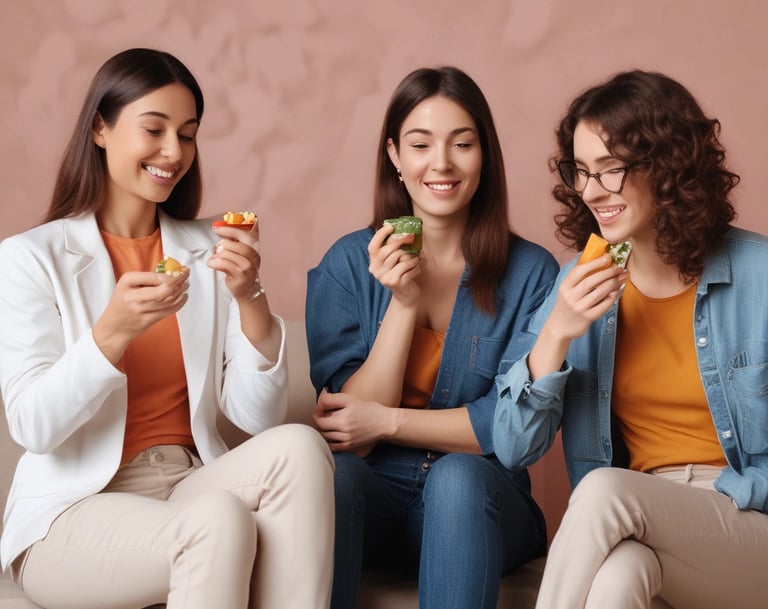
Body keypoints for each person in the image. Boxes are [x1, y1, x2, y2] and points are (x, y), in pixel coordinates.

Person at [0, 48, 334, 609]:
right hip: (72, 513)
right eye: (153, 129)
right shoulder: (30, 259)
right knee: (216, 519)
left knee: (299, 447)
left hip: (186, 480)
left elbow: (257, 417)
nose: (173, 152)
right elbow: (34, 426)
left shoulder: (208, 249)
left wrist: (248, 296)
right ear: (101, 129)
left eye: (188, 134)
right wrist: (112, 332)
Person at [492, 69, 768, 609]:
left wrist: (728, 493)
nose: (593, 191)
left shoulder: (760, 274)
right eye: (581, 171)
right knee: (620, 574)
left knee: (601, 490)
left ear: (669, 167)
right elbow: (512, 446)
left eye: (612, 169)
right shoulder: (580, 282)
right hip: (639, 520)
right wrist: (556, 332)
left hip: (749, 522)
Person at [306, 66, 558, 609]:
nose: (441, 163)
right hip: (375, 494)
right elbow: (354, 431)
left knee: (458, 479)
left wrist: (391, 421)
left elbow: (507, 426)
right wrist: (403, 303)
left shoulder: (532, 273)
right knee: (335, 477)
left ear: (484, 155)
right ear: (395, 156)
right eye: (421, 144)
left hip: (484, 498)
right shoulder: (347, 265)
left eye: (462, 144)